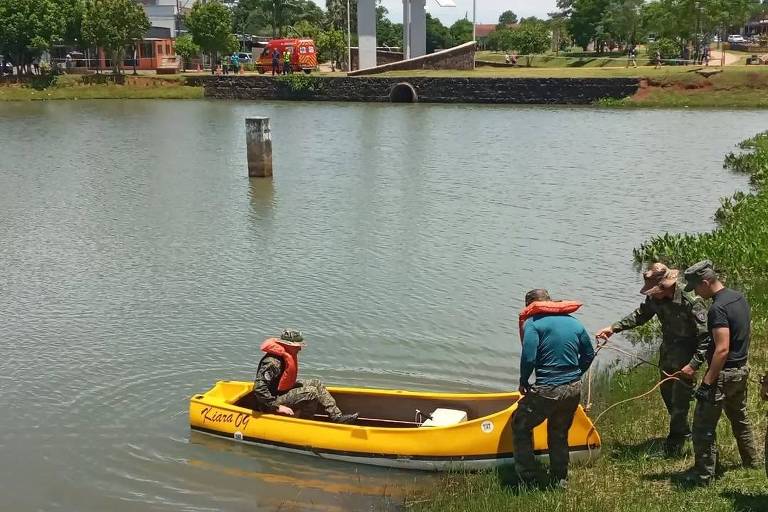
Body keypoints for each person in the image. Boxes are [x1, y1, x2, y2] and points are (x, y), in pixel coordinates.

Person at [596, 263, 710, 456]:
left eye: (654, 290)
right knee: (668, 397)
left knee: (681, 401)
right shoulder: (655, 299)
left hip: (686, 360)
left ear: (666, 286)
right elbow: (640, 315)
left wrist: (693, 365)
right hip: (667, 356)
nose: (652, 295)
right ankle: (684, 433)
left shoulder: (690, 300)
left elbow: (706, 338)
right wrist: (613, 328)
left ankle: (674, 448)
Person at [682, 260, 759, 485]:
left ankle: (704, 475)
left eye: (696, 287)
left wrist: (707, 382)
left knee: (703, 427)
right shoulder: (739, 297)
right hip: (741, 370)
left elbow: (722, 348)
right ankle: (752, 461)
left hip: (724, 375)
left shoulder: (717, 309)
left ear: (706, 283)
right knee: (740, 418)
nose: (695, 292)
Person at [513, 289, 595, 487]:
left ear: (530, 306)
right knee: (559, 432)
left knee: (520, 425)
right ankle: (560, 478)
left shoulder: (533, 323)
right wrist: (575, 375)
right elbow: (589, 354)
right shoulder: (574, 322)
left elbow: (529, 357)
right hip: (573, 388)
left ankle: (528, 478)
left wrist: (524, 380)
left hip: (548, 389)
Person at [252, 329, 359, 424]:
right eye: (297, 346)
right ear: (288, 345)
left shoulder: (284, 356)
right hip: (270, 402)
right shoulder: (272, 363)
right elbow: (259, 388)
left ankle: (336, 417)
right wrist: (277, 406)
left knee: (316, 383)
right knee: (311, 392)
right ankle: (305, 423)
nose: (300, 349)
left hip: (280, 393)